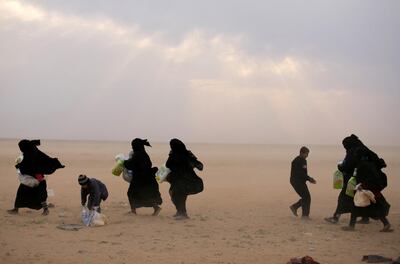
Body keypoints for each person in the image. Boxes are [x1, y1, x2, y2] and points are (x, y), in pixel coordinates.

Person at [8, 139, 65, 215]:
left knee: (39, 192)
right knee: (23, 192)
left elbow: (28, 165)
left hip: (37, 175)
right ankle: (16, 209)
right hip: (33, 176)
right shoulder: (31, 151)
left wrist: (20, 166)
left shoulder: (31, 153)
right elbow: (26, 164)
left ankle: (45, 210)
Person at [165, 138, 204, 220]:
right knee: (180, 196)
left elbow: (167, 165)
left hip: (181, 180)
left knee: (177, 196)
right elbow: (200, 166)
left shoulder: (174, 155)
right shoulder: (187, 154)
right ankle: (181, 212)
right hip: (188, 180)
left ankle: (182, 213)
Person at [124, 138, 162, 215]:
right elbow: (149, 164)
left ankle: (133, 211)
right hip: (148, 178)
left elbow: (130, 165)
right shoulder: (144, 154)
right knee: (147, 194)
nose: (132, 147)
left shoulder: (137, 155)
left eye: (133, 146)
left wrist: (124, 162)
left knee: (131, 193)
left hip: (140, 179)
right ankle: (156, 208)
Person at [289, 146, 316, 219]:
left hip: (294, 181)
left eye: (308, 154)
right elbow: (302, 173)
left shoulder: (296, 160)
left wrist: (308, 178)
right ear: (301, 153)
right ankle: (305, 215)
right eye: (306, 154)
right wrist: (309, 178)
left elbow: (301, 173)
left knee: (305, 197)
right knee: (307, 197)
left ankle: (295, 207)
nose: (307, 156)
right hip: (298, 181)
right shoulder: (302, 160)